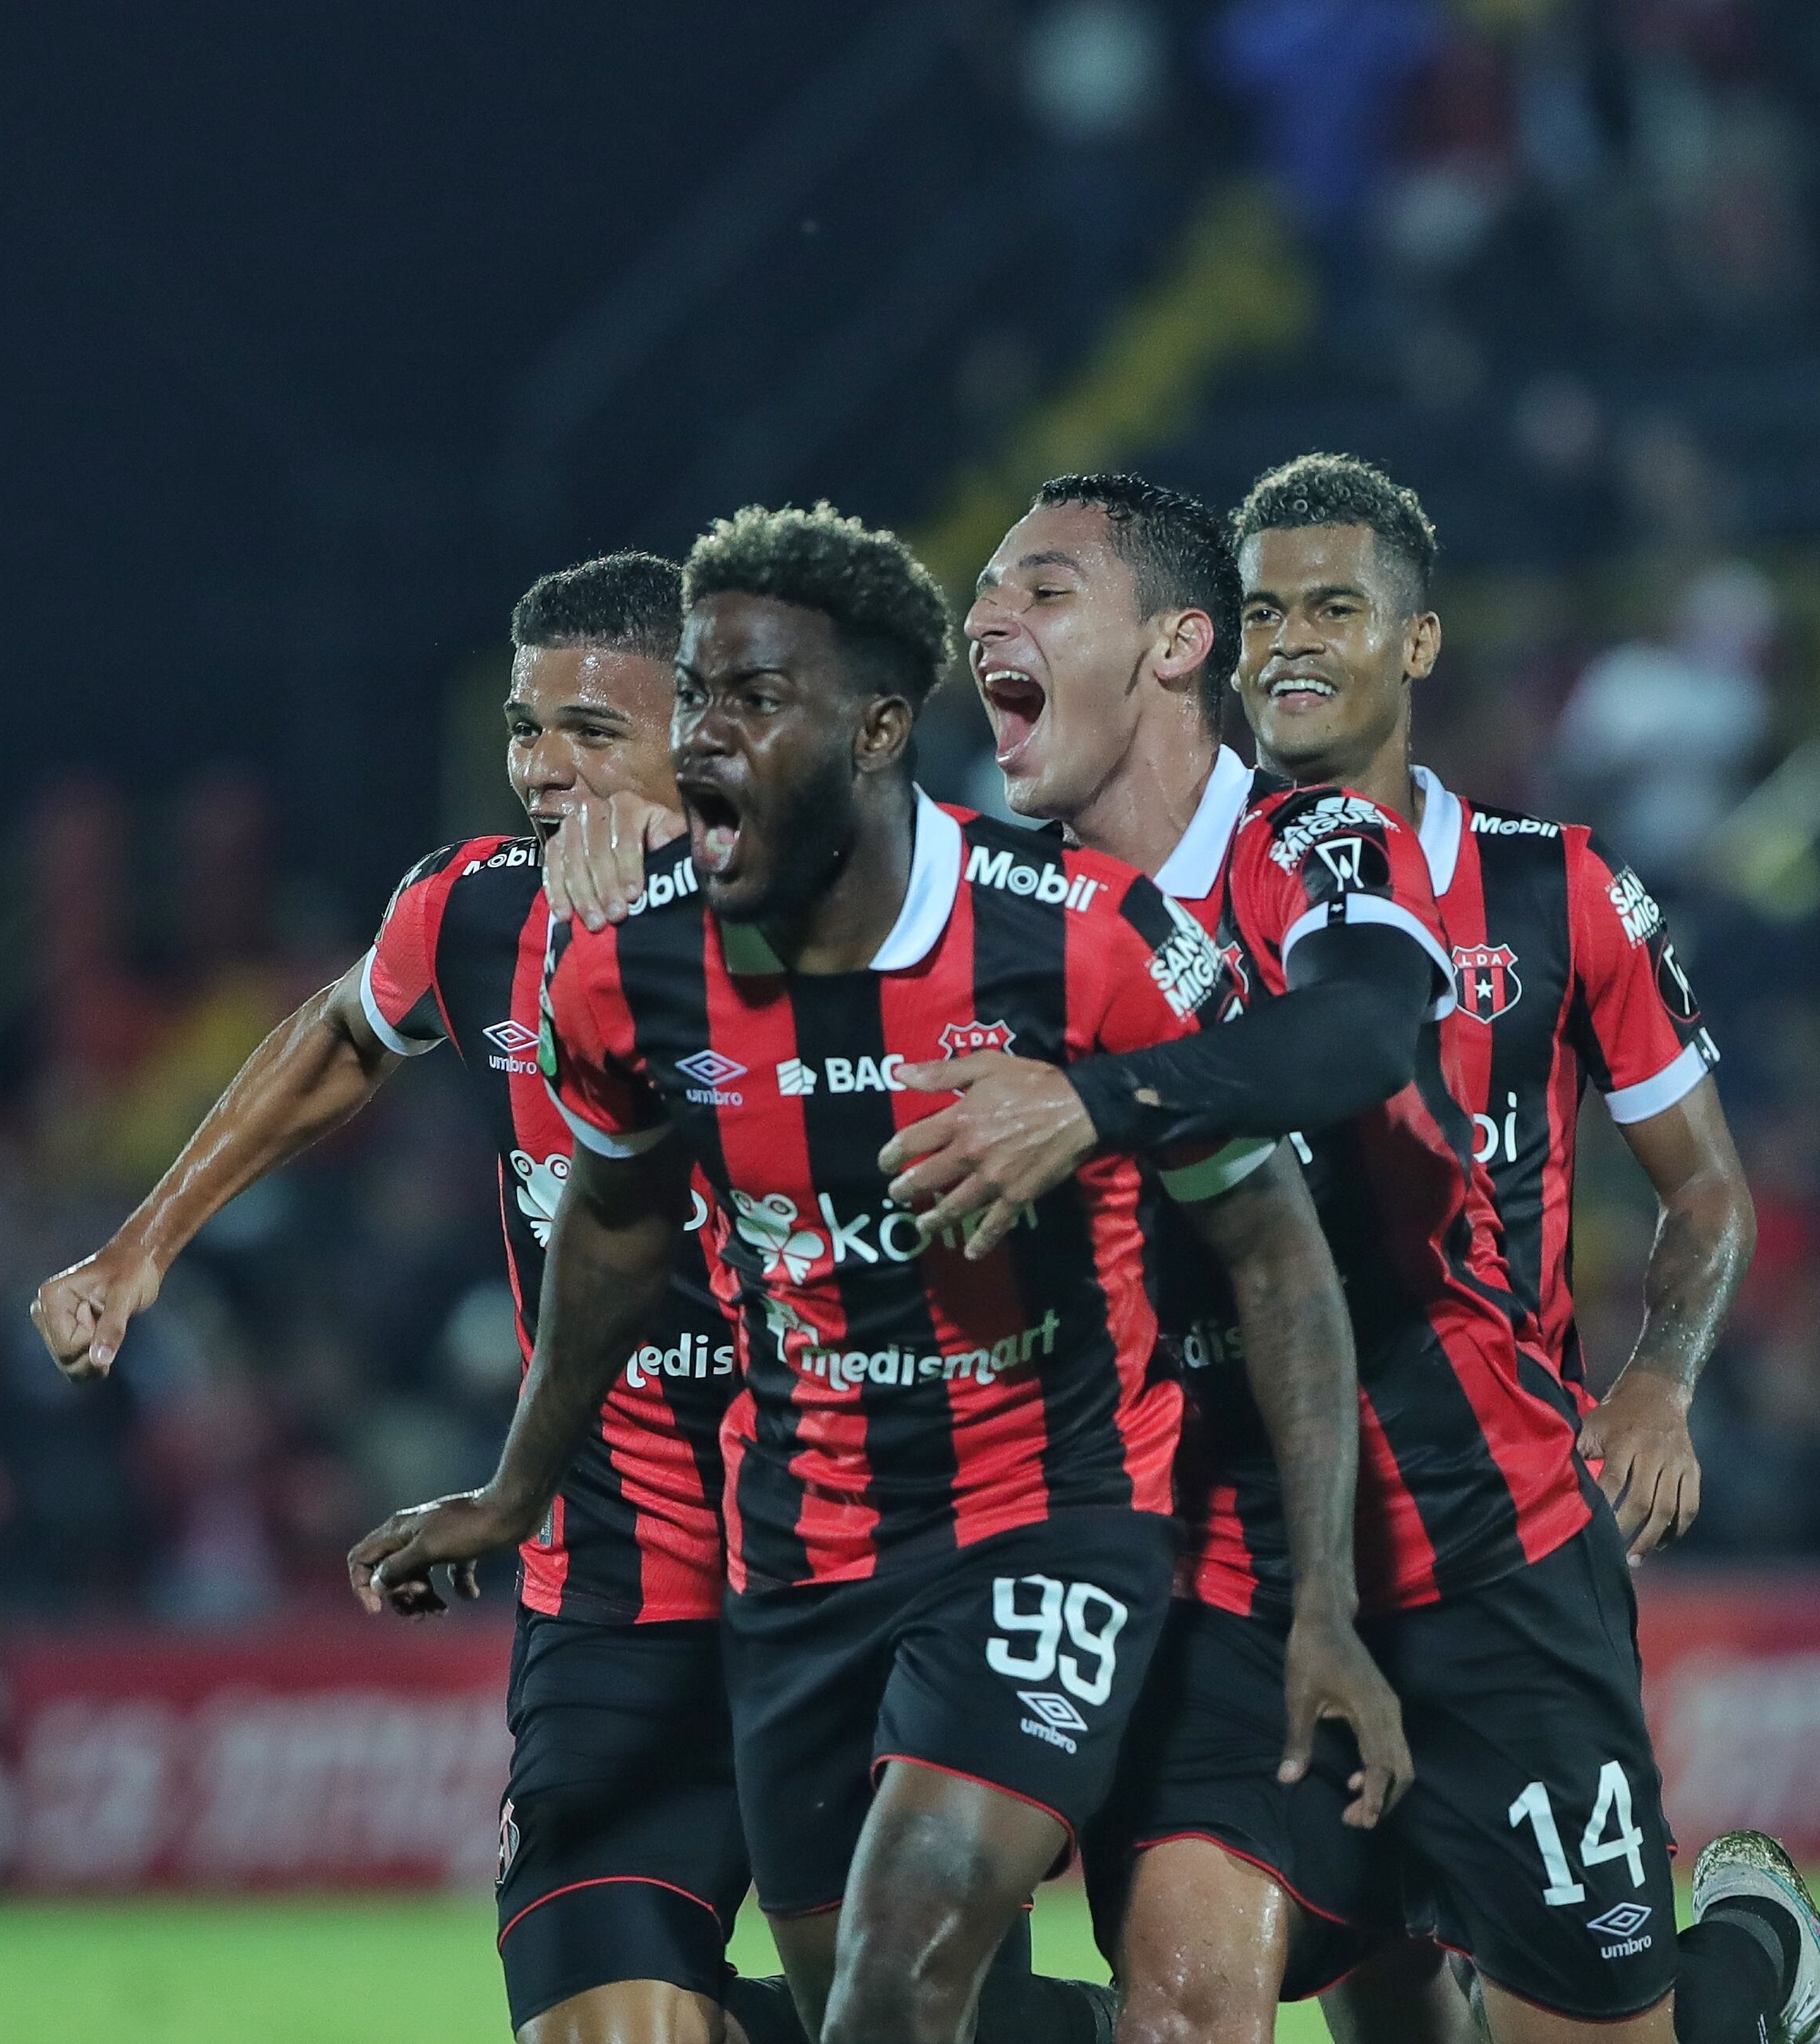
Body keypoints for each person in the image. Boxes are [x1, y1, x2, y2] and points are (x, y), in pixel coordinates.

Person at [349, 502, 1407, 2044]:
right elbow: (615, 1231)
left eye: (754, 699)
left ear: (877, 730)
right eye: (693, 698)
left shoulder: (1081, 943)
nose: (704, 739)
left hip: (1045, 1523)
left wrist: (1325, 1599)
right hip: (804, 1555)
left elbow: (1277, 1253)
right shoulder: (627, 973)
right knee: (900, 2009)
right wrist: (517, 1492)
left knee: (900, 1976)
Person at [881, 464, 1820, 2044]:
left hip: (1478, 1540)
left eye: (1045, 590)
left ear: (1173, 646)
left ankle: (1760, 1956)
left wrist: (1657, 1381)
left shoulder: (1327, 849)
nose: (989, 622)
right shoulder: (1012, 919)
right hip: (1223, 1568)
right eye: (986, 595)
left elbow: (1360, 1036)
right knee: (1180, 2012)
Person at [30, 555, 777, 2044]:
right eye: (523, 727)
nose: (542, 767)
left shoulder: (814, 922)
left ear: (701, 738)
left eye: (590, 730)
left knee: (902, 2000)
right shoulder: (474, 908)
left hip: (836, 1564)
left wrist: (684, 892)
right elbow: (341, 1032)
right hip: (611, 1579)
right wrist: (143, 1244)